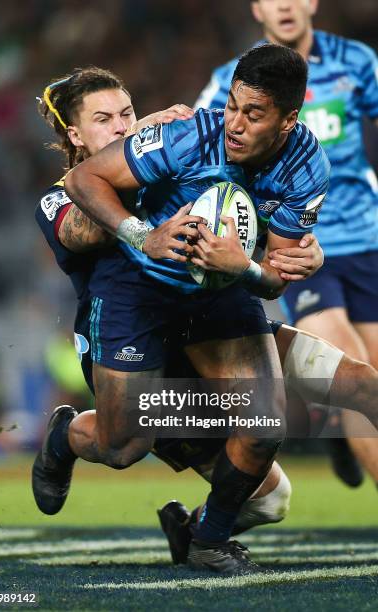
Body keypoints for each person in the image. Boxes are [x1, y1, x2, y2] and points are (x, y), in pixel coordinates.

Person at [34, 65, 378, 571]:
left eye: (127, 113)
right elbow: (84, 225)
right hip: (142, 332)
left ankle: (201, 535)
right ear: (76, 135)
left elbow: (255, 244)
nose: (123, 127)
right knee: (125, 445)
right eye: (105, 120)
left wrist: (298, 254)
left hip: (213, 311)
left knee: (274, 477)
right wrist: (151, 166)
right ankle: (67, 434)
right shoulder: (63, 196)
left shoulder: (193, 150)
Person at [195, 0, 378, 488]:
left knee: (373, 377)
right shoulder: (232, 84)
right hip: (293, 249)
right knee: (353, 363)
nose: (286, 5)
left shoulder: (358, 63)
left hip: (367, 240)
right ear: (257, 9)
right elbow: (196, 155)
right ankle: (339, 415)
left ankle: (335, 420)